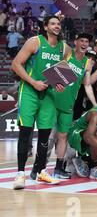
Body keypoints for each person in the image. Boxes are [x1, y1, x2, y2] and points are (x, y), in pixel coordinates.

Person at [12, 14, 71, 189]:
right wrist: (33, 82)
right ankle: (20, 174)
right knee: (25, 132)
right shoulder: (34, 42)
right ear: (45, 27)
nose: (56, 26)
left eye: (58, 23)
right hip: (30, 91)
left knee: (45, 136)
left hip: (49, 95)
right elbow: (16, 64)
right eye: (52, 23)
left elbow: (64, 72)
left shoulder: (64, 49)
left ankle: (41, 171)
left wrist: (61, 83)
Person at [50, 33, 97, 179]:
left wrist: (95, 104)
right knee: (49, 137)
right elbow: (54, 44)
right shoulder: (67, 53)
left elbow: (87, 84)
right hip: (52, 101)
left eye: (87, 41)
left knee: (63, 136)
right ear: (75, 42)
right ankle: (38, 168)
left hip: (68, 105)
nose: (84, 43)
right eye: (81, 40)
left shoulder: (87, 63)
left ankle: (58, 168)